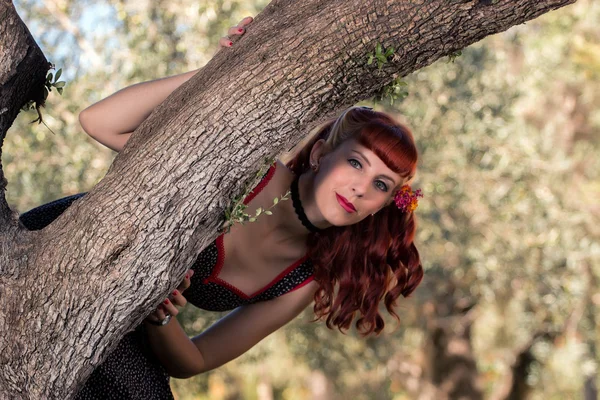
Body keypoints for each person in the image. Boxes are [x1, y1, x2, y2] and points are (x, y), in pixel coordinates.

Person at [18, 16, 424, 400]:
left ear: (380, 207)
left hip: (116, 324)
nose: (359, 188)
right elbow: (99, 121)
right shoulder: (251, 164)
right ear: (320, 153)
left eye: (380, 185)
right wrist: (217, 73)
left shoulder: (303, 279)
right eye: (356, 163)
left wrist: (162, 318)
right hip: (59, 252)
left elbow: (196, 359)